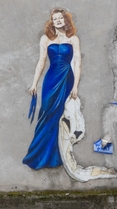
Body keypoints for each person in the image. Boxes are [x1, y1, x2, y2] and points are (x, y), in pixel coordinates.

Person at [23, 8, 81, 170]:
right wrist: (34, 83)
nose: (58, 21)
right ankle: (38, 155)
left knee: (61, 116)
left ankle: (57, 156)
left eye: (61, 18)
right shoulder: (46, 39)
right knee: (47, 113)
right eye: (55, 19)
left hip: (66, 79)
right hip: (51, 80)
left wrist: (75, 85)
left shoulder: (73, 39)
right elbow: (41, 62)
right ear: (52, 22)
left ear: (65, 20)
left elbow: (77, 63)